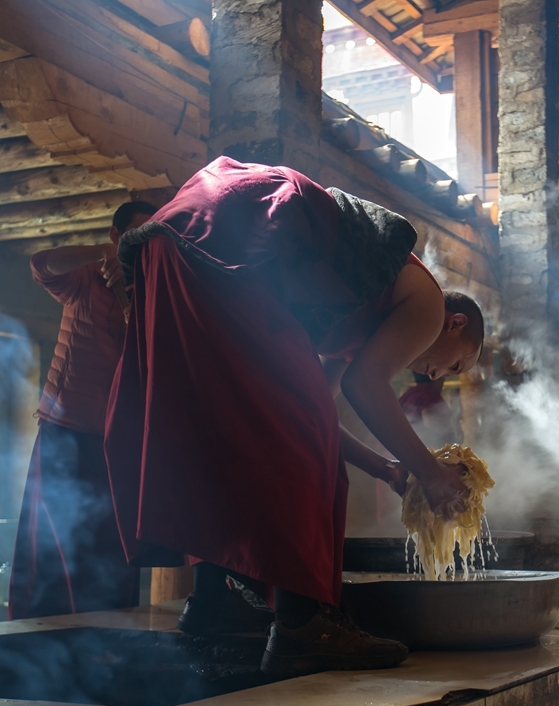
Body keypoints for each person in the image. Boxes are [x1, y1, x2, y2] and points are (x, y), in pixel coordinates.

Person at [104, 157, 485, 675]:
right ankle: (306, 625)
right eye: (458, 362)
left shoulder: (355, 311)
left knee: (234, 435)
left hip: (179, 237)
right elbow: (363, 388)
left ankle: (215, 604)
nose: (440, 376)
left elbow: (320, 417)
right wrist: (430, 472)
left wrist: (388, 469)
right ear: (455, 324)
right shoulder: (430, 306)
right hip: (237, 239)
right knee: (295, 440)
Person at [8, 201, 157, 619]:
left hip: (119, 445)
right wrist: (98, 254)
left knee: (110, 546)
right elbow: (40, 265)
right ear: (116, 237)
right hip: (65, 434)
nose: (141, 248)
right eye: (133, 238)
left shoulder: (154, 293)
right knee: (58, 544)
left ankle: (105, 641)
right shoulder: (86, 278)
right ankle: (46, 641)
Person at [399, 371, 456, 449]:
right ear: (436, 377)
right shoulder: (429, 392)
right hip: (418, 450)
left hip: (397, 449)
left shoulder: (409, 393)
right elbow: (430, 419)